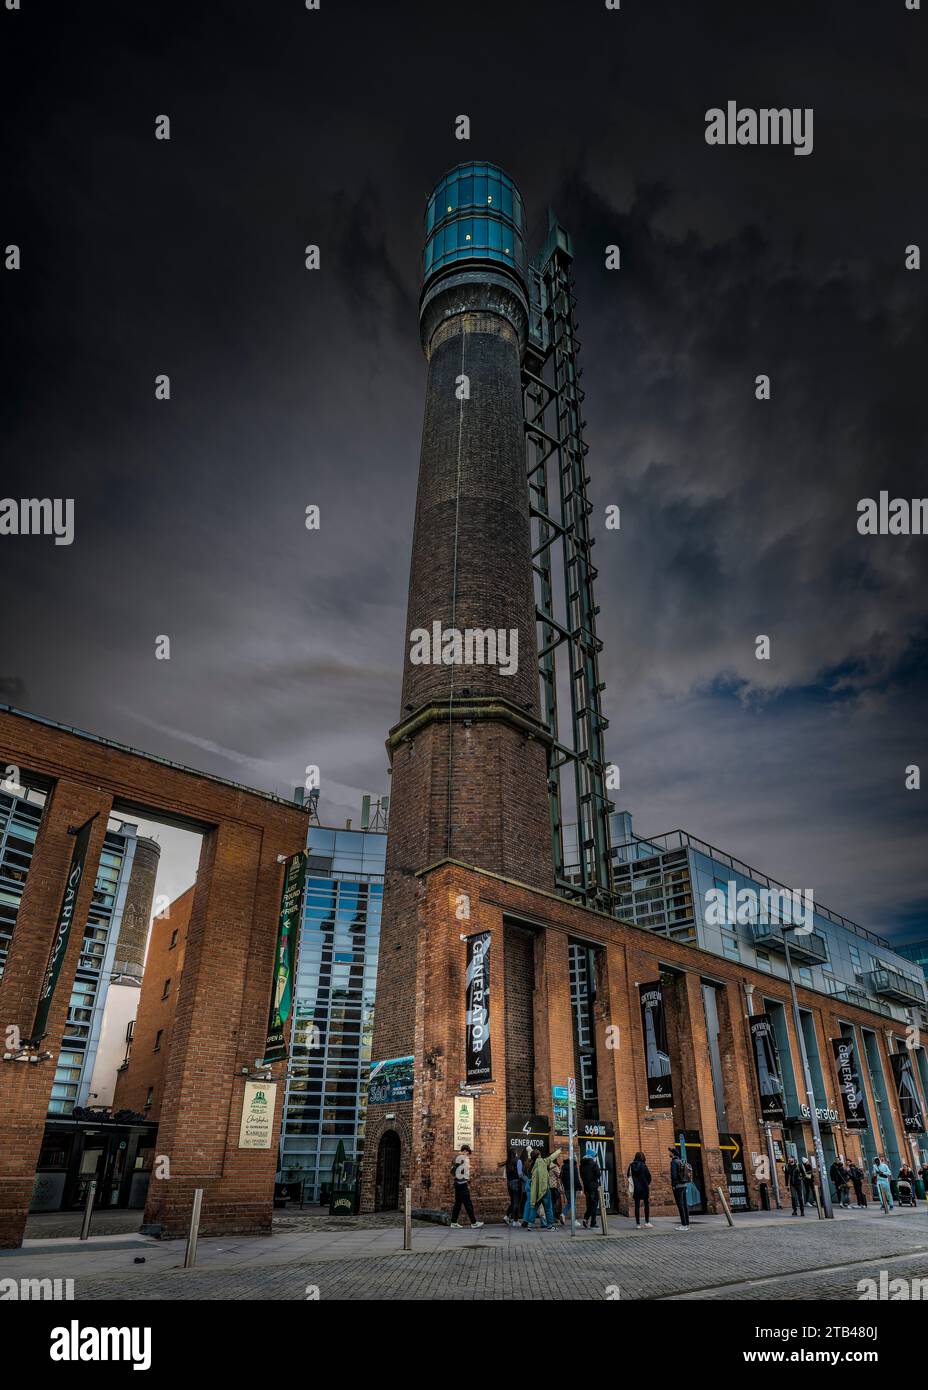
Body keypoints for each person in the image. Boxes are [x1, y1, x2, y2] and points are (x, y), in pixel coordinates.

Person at [526, 1146, 560, 1229]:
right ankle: (550, 1225)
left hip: (536, 1191)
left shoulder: (532, 1165)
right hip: (545, 1189)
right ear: (539, 1155)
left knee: (534, 1208)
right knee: (548, 1208)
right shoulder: (543, 1162)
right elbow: (552, 1157)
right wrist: (559, 1151)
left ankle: (530, 1225)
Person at [450, 1144, 484, 1228]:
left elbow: (453, 1171)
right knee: (468, 1203)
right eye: (467, 1152)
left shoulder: (456, 1158)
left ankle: (453, 1222)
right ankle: (474, 1223)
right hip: (462, 1184)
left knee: (458, 1203)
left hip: (457, 1183)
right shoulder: (462, 1159)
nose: (468, 1154)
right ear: (465, 1151)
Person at [627, 1151, 653, 1229]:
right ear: (642, 1157)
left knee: (637, 1205)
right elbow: (649, 1177)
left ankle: (638, 1224)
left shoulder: (631, 1165)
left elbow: (628, 1175)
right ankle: (647, 1222)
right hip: (644, 1187)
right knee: (646, 1204)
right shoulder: (644, 1166)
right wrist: (646, 1183)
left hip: (636, 1188)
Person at [580, 1145, 603, 1229]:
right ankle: (593, 1223)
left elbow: (582, 1175)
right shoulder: (593, 1163)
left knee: (589, 1204)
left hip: (586, 1187)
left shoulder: (581, 1164)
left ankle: (586, 1218)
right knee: (594, 1205)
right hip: (593, 1186)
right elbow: (598, 1174)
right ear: (592, 1155)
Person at [669, 1145, 690, 1230]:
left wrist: (673, 1185)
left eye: (670, 1152)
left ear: (673, 1154)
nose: (669, 1153)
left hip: (678, 1186)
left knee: (680, 1205)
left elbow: (674, 1175)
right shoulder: (681, 1161)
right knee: (685, 1205)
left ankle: (683, 1225)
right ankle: (687, 1224)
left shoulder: (674, 1162)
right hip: (684, 1185)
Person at [500, 1150, 523, 1225]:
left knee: (513, 1201)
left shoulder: (507, 1162)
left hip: (509, 1183)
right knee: (517, 1202)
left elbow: (504, 1176)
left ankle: (506, 1217)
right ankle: (515, 1221)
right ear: (515, 1153)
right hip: (516, 1183)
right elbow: (520, 1174)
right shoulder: (518, 1161)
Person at [561, 1147, 580, 1224]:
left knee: (570, 1202)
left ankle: (563, 1214)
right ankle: (574, 1220)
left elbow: (561, 1177)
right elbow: (576, 1178)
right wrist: (580, 1188)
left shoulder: (563, 1166)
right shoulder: (573, 1166)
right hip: (572, 1187)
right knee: (573, 1203)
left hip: (566, 1187)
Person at [548, 1155, 565, 1224]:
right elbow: (560, 1175)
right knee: (555, 1203)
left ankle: (551, 1217)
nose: (559, 1159)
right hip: (554, 1187)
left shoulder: (548, 1166)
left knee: (551, 1203)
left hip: (549, 1186)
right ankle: (553, 1217)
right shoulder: (554, 1166)